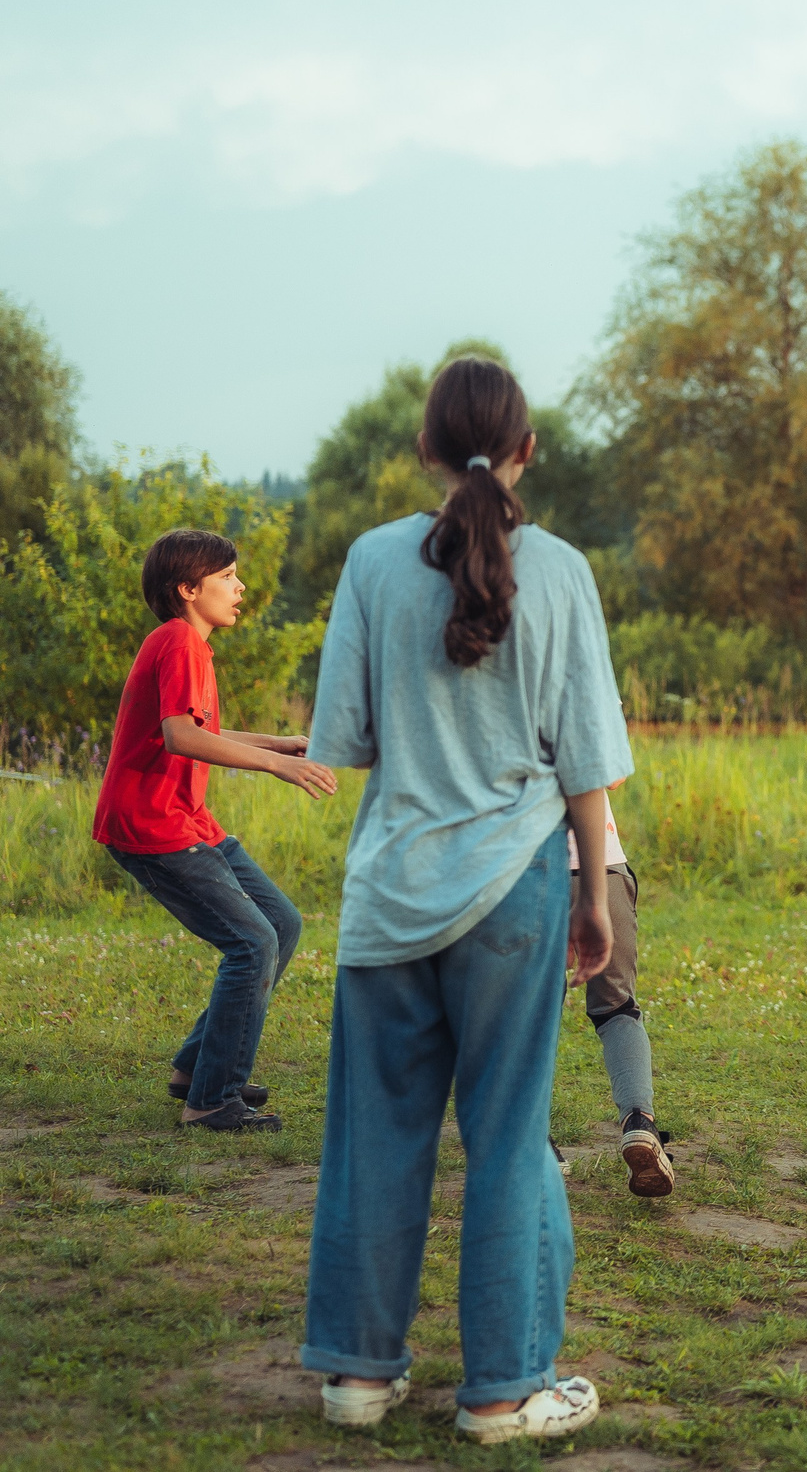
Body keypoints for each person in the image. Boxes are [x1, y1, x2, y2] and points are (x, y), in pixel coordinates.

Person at [298, 356, 631, 1444]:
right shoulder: (566, 571)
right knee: (508, 1136)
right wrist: (592, 893)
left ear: (424, 453)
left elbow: (342, 740)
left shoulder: (369, 562)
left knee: (374, 1137)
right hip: (515, 889)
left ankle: (355, 1377)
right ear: (526, 450)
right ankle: (501, 1391)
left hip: (391, 892)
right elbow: (585, 756)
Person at [91, 529, 338, 1133]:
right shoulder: (178, 641)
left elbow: (201, 732)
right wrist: (280, 765)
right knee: (252, 943)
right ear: (187, 589)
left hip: (186, 819)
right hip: (151, 825)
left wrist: (279, 742)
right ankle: (210, 1101)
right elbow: (181, 737)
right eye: (227, 576)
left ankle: (197, 1066)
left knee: (281, 922)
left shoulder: (189, 645)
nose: (240, 586)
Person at [568, 786, 674, 1196]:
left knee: (529, 1012)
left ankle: (532, 1137)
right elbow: (606, 778)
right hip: (602, 866)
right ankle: (639, 1123)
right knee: (617, 1007)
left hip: (525, 870)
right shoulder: (588, 715)